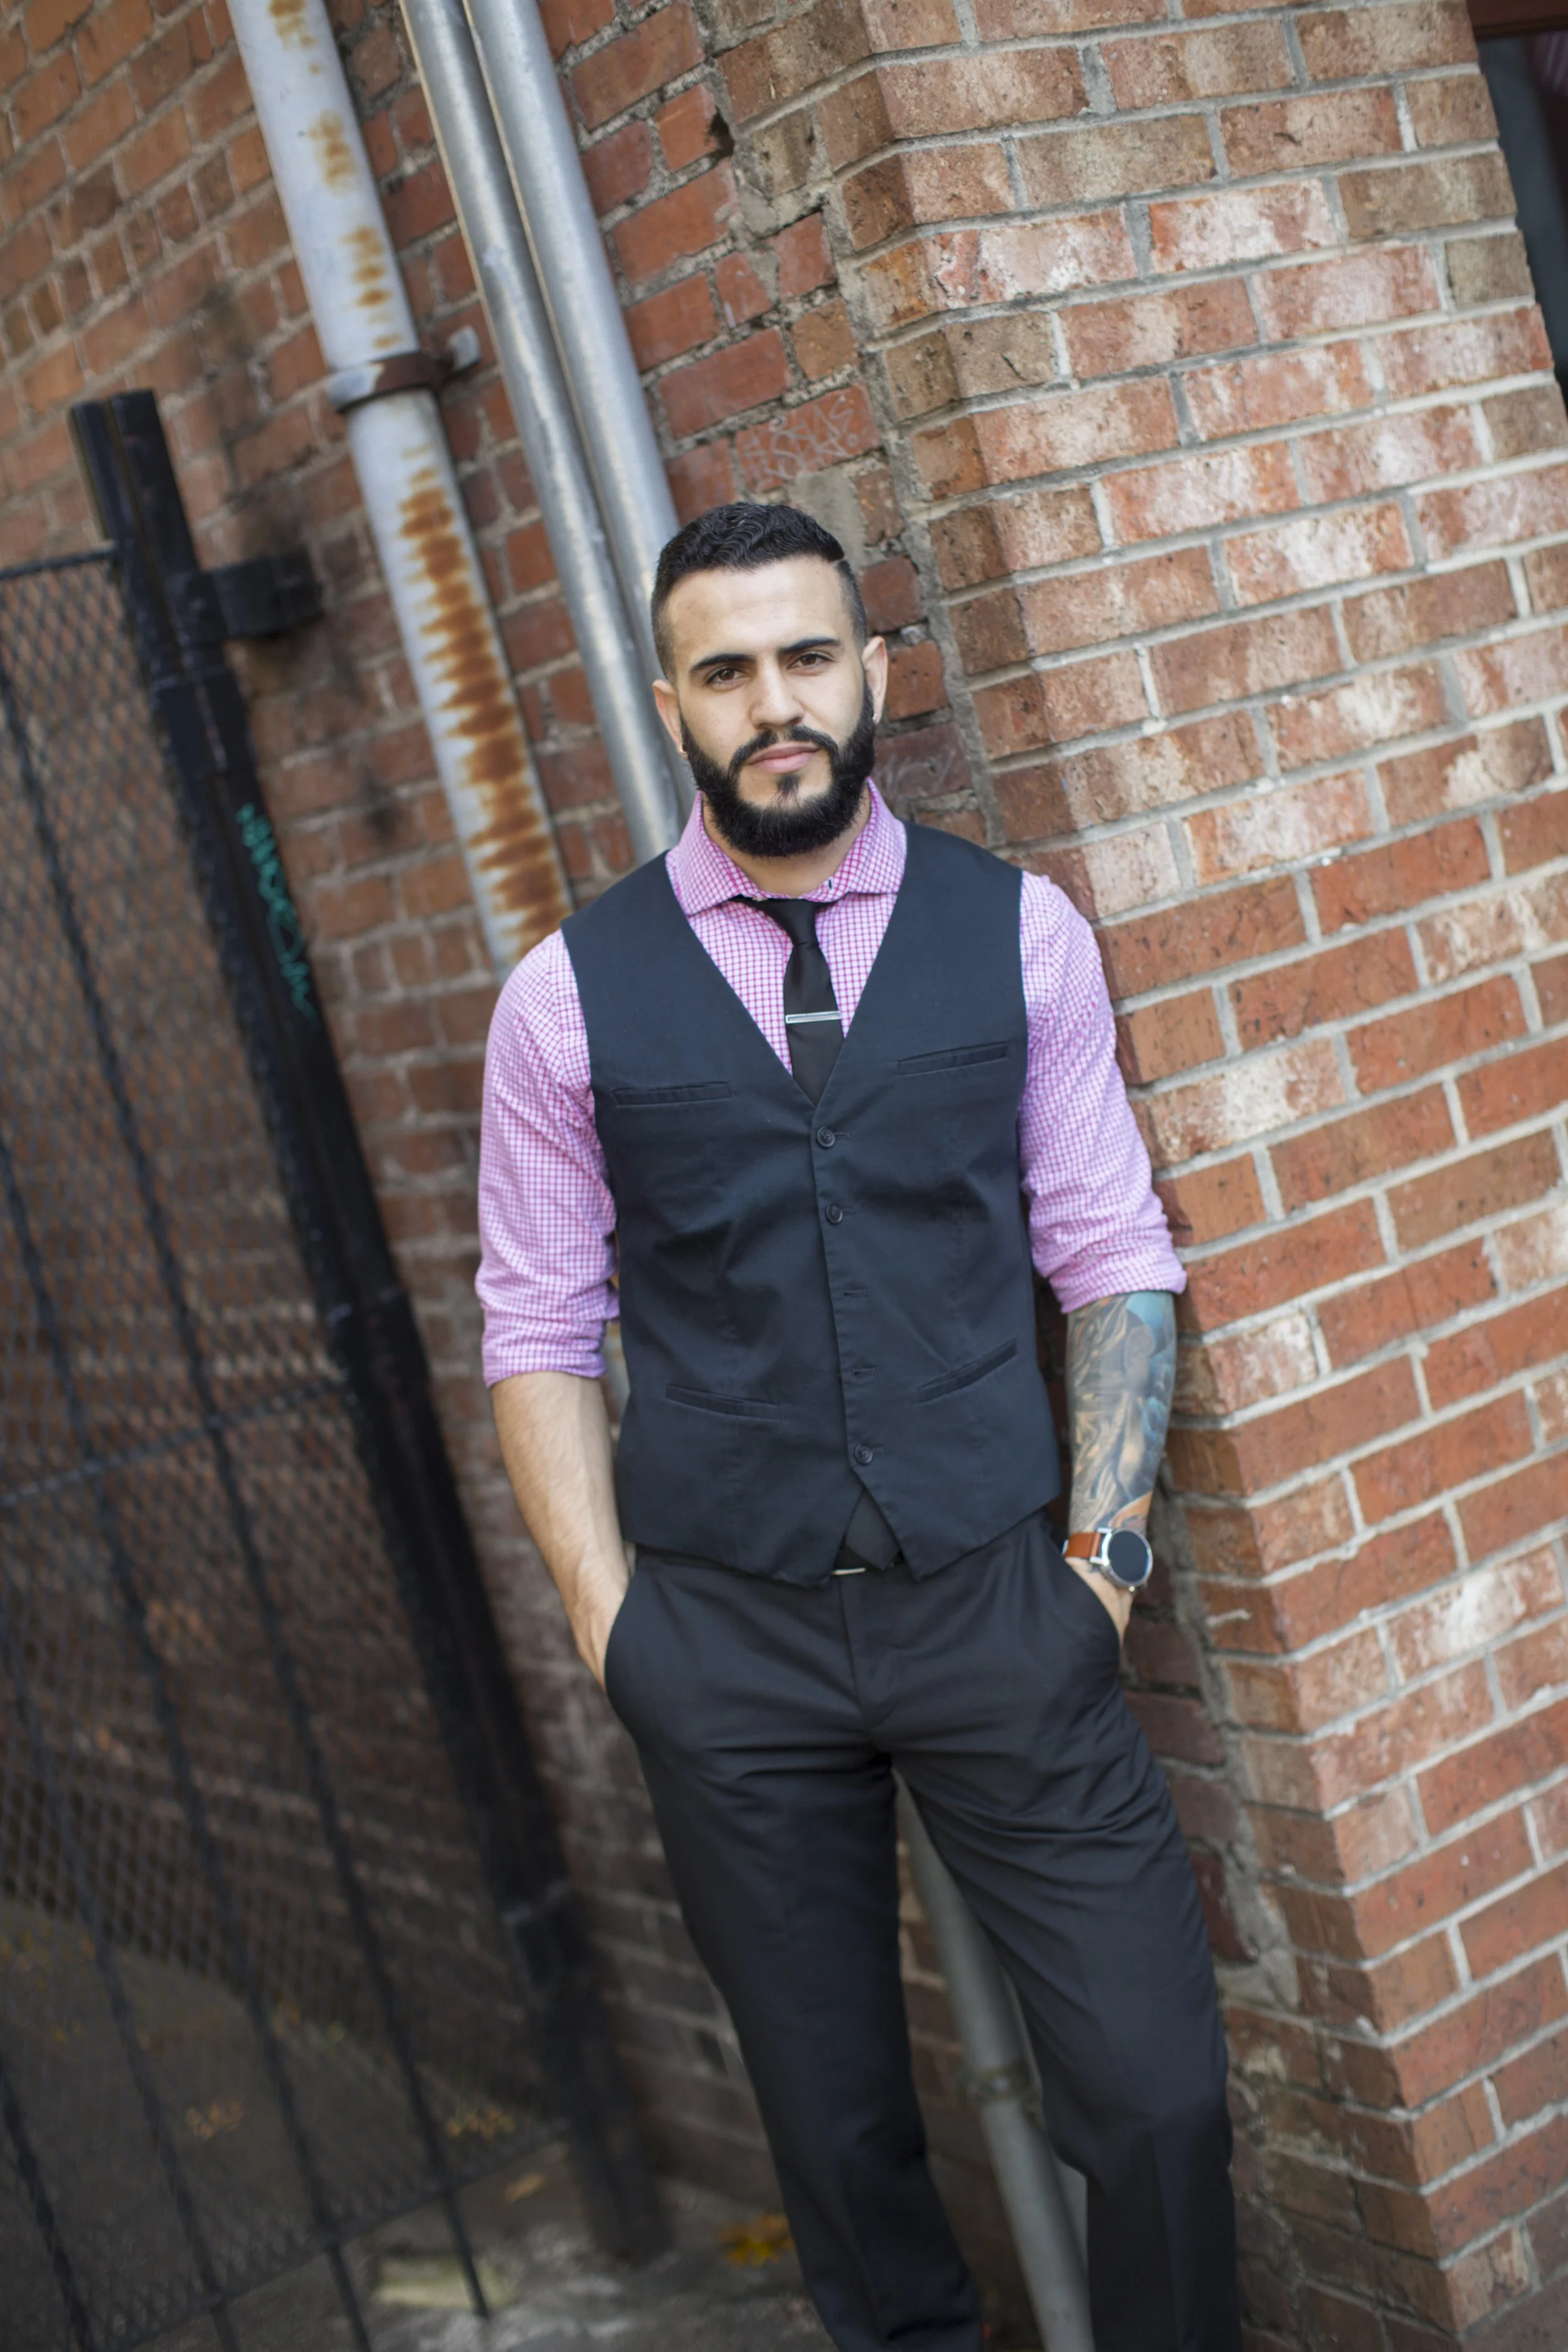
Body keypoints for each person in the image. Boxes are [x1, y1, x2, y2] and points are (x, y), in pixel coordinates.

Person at [476, 501, 1240, 2351]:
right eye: (726, 671)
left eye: (807, 655)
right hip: (725, 1639)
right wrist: (615, 1623)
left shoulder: (1017, 931)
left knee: (1157, 2098)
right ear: (672, 704)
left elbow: (1111, 1249)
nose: (775, 704)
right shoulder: (565, 997)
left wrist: (1104, 1560)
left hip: (1003, 1604)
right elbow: (535, 1321)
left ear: (871, 668)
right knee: (838, 2146)